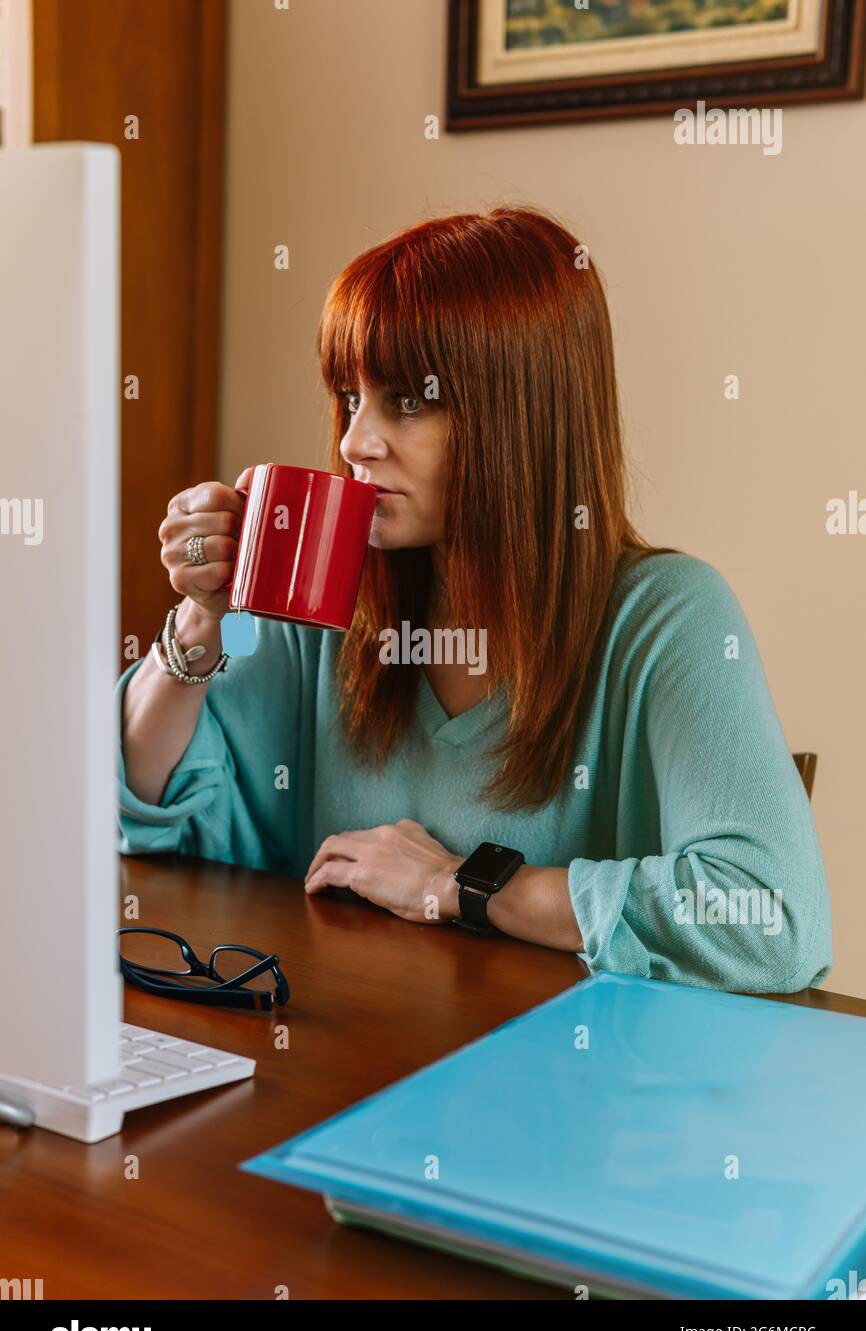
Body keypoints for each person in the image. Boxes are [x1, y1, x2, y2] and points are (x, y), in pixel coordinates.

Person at [116, 206, 831, 993]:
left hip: (563, 1089)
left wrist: (464, 885)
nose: (356, 441)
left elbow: (772, 920)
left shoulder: (666, 617)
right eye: (350, 398)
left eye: (408, 403)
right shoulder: (323, 598)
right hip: (343, 1070)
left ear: (521, 415)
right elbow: (141, 817)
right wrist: (203, 618)